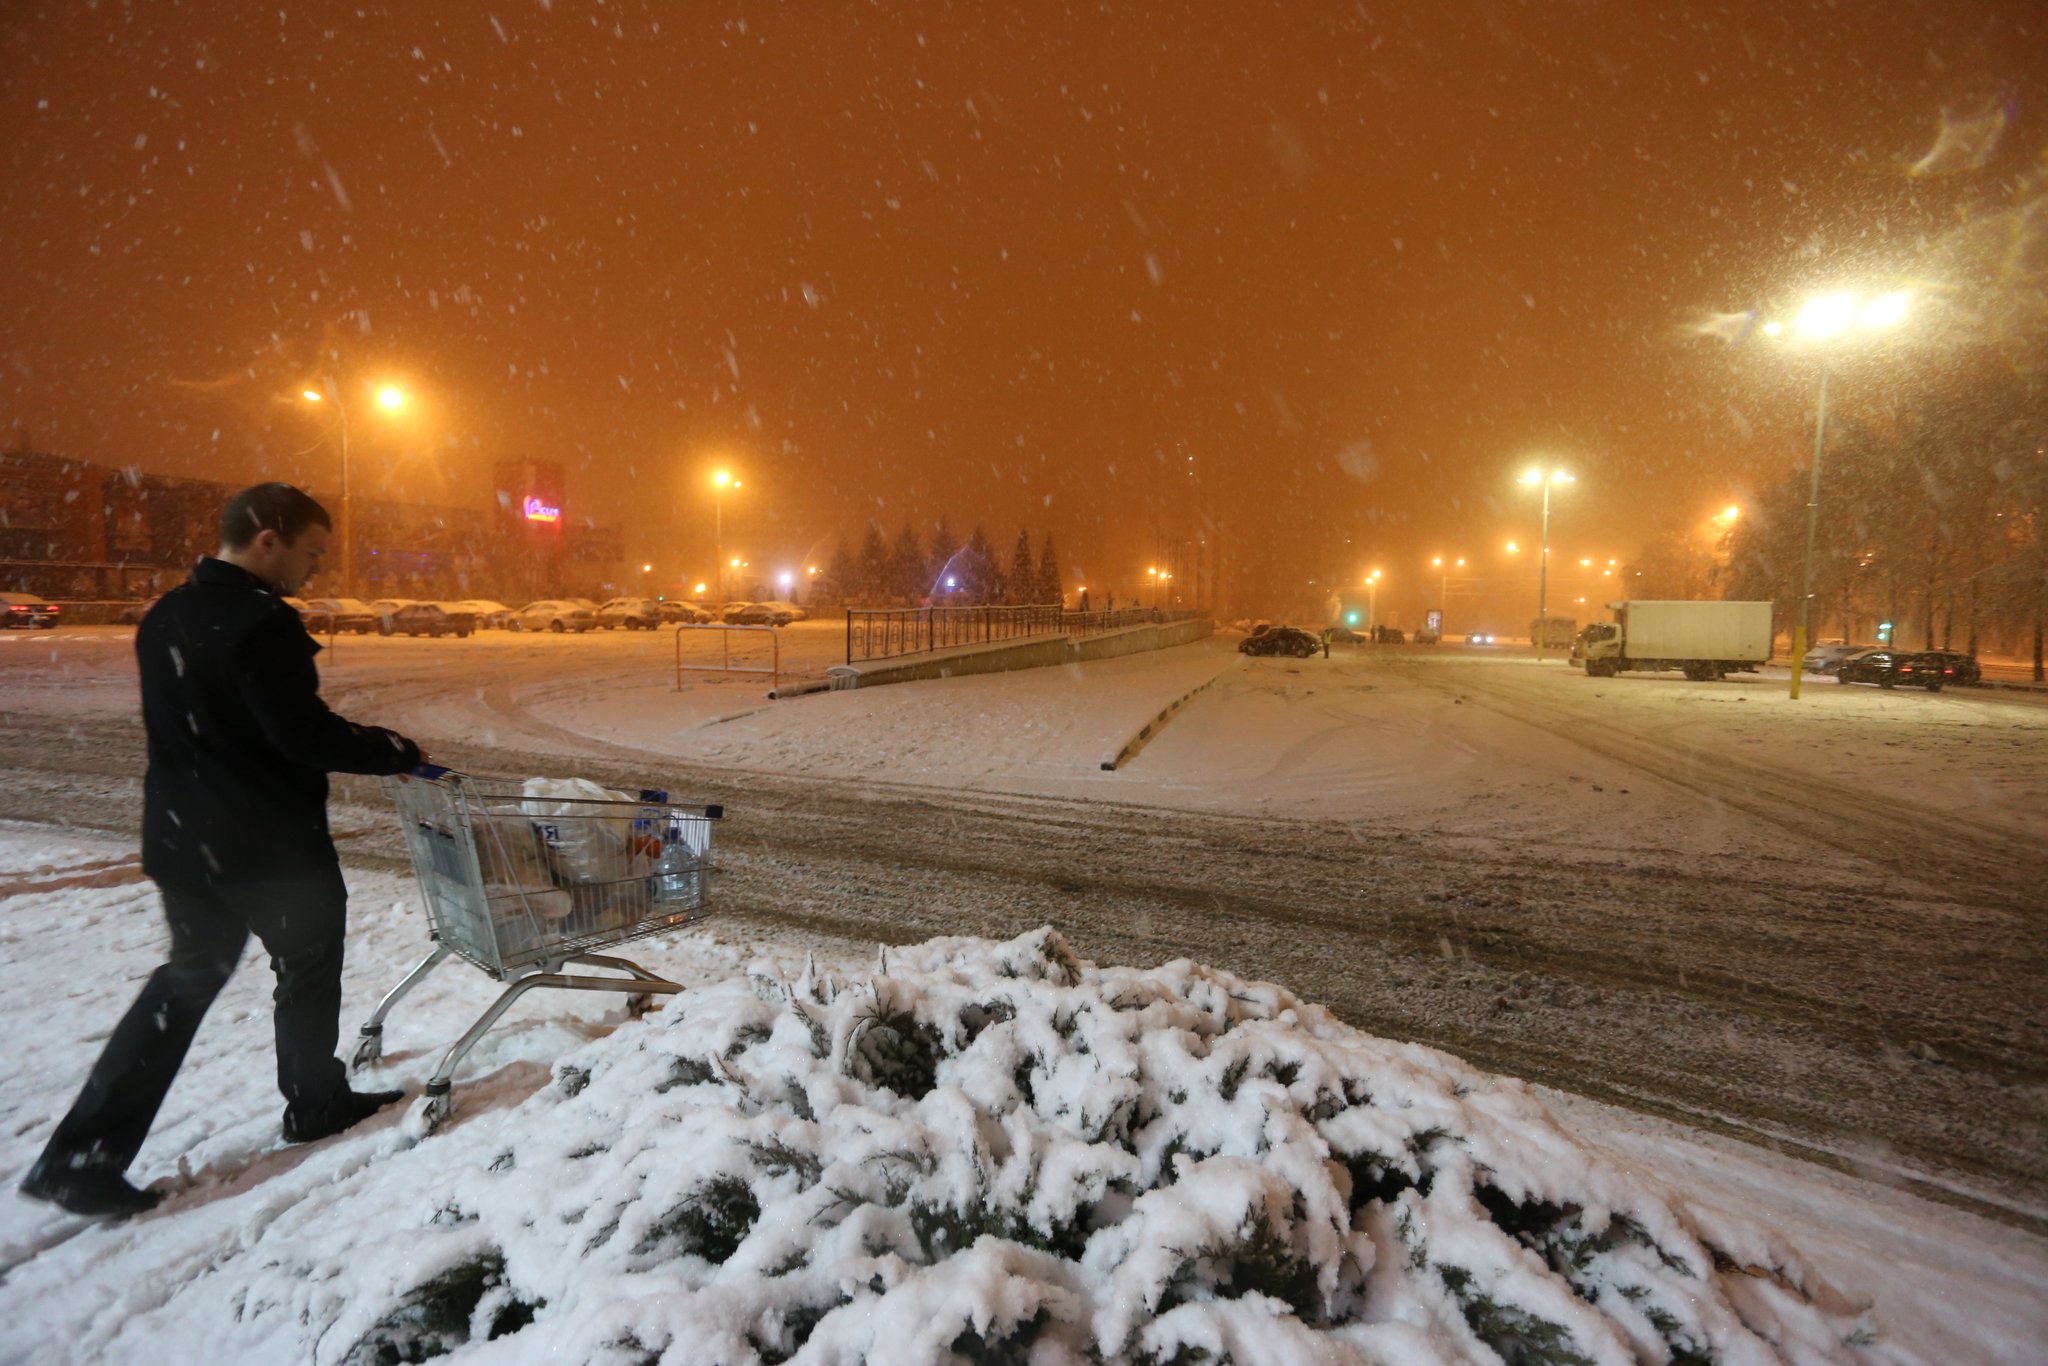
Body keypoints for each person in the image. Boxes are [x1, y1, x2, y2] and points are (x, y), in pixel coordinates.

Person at [20, 483, 426, 1218]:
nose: (315, 570)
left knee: (187, 979)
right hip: (268, 845)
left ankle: (82, 1154)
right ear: (267, 539)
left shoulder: (167, 614)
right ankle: (313, 1101)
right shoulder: (260, 624)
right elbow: (298, 732)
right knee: (306, 965)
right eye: (310, 553)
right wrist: (389, 748)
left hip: (184, 839)